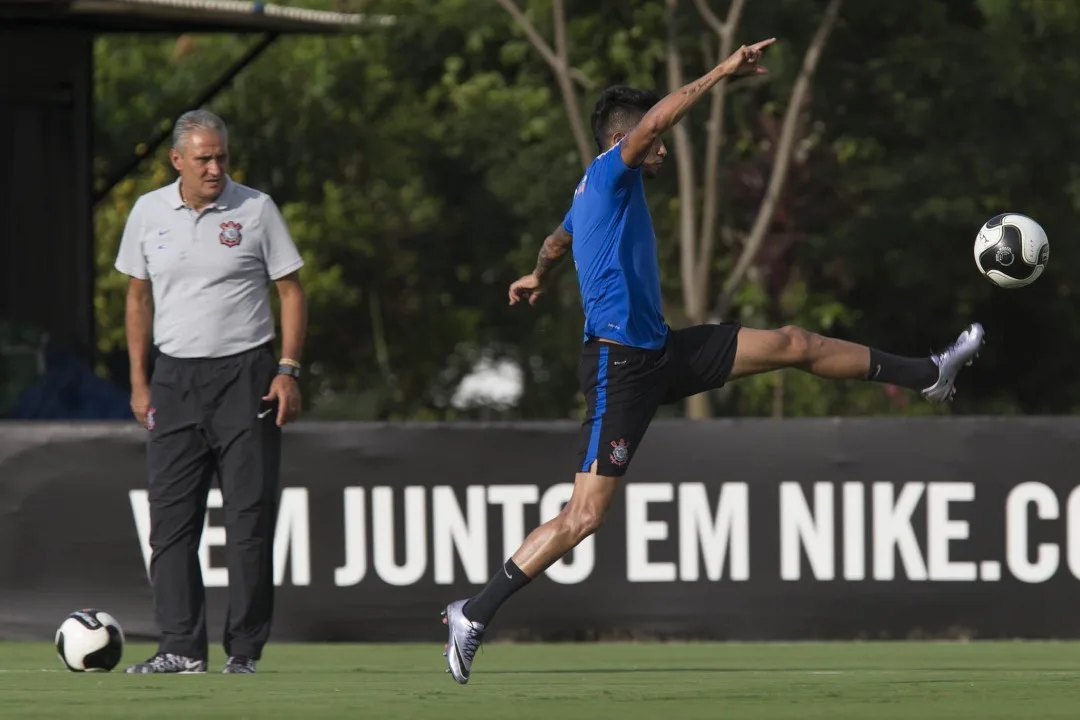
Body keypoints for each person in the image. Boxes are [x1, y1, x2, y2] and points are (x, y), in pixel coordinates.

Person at [441, 38, 984, 684]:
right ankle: (472, 613)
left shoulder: (593, 186)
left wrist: (536, 275)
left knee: (793, 344)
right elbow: (656, 124)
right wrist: (723, 71)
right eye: (652, 140)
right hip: (622, 369)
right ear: (626, 140)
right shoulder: (615, 168)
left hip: (662, 351)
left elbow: (557, 240)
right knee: (585, 515)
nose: (663, 148)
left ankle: (929, 373)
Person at [114, 109, 308, 675]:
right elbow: (136, 299)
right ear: (177, 160)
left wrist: (288, 371)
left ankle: (243, 652)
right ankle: (179, 647)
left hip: (247, 375)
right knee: (171, 521)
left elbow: (291, 292)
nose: (215, 168)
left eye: (221, 156)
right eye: (203, 158)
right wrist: (138, 382)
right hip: (173, 378)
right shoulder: (148, 212)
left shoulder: (256, 209)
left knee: (249, 520)